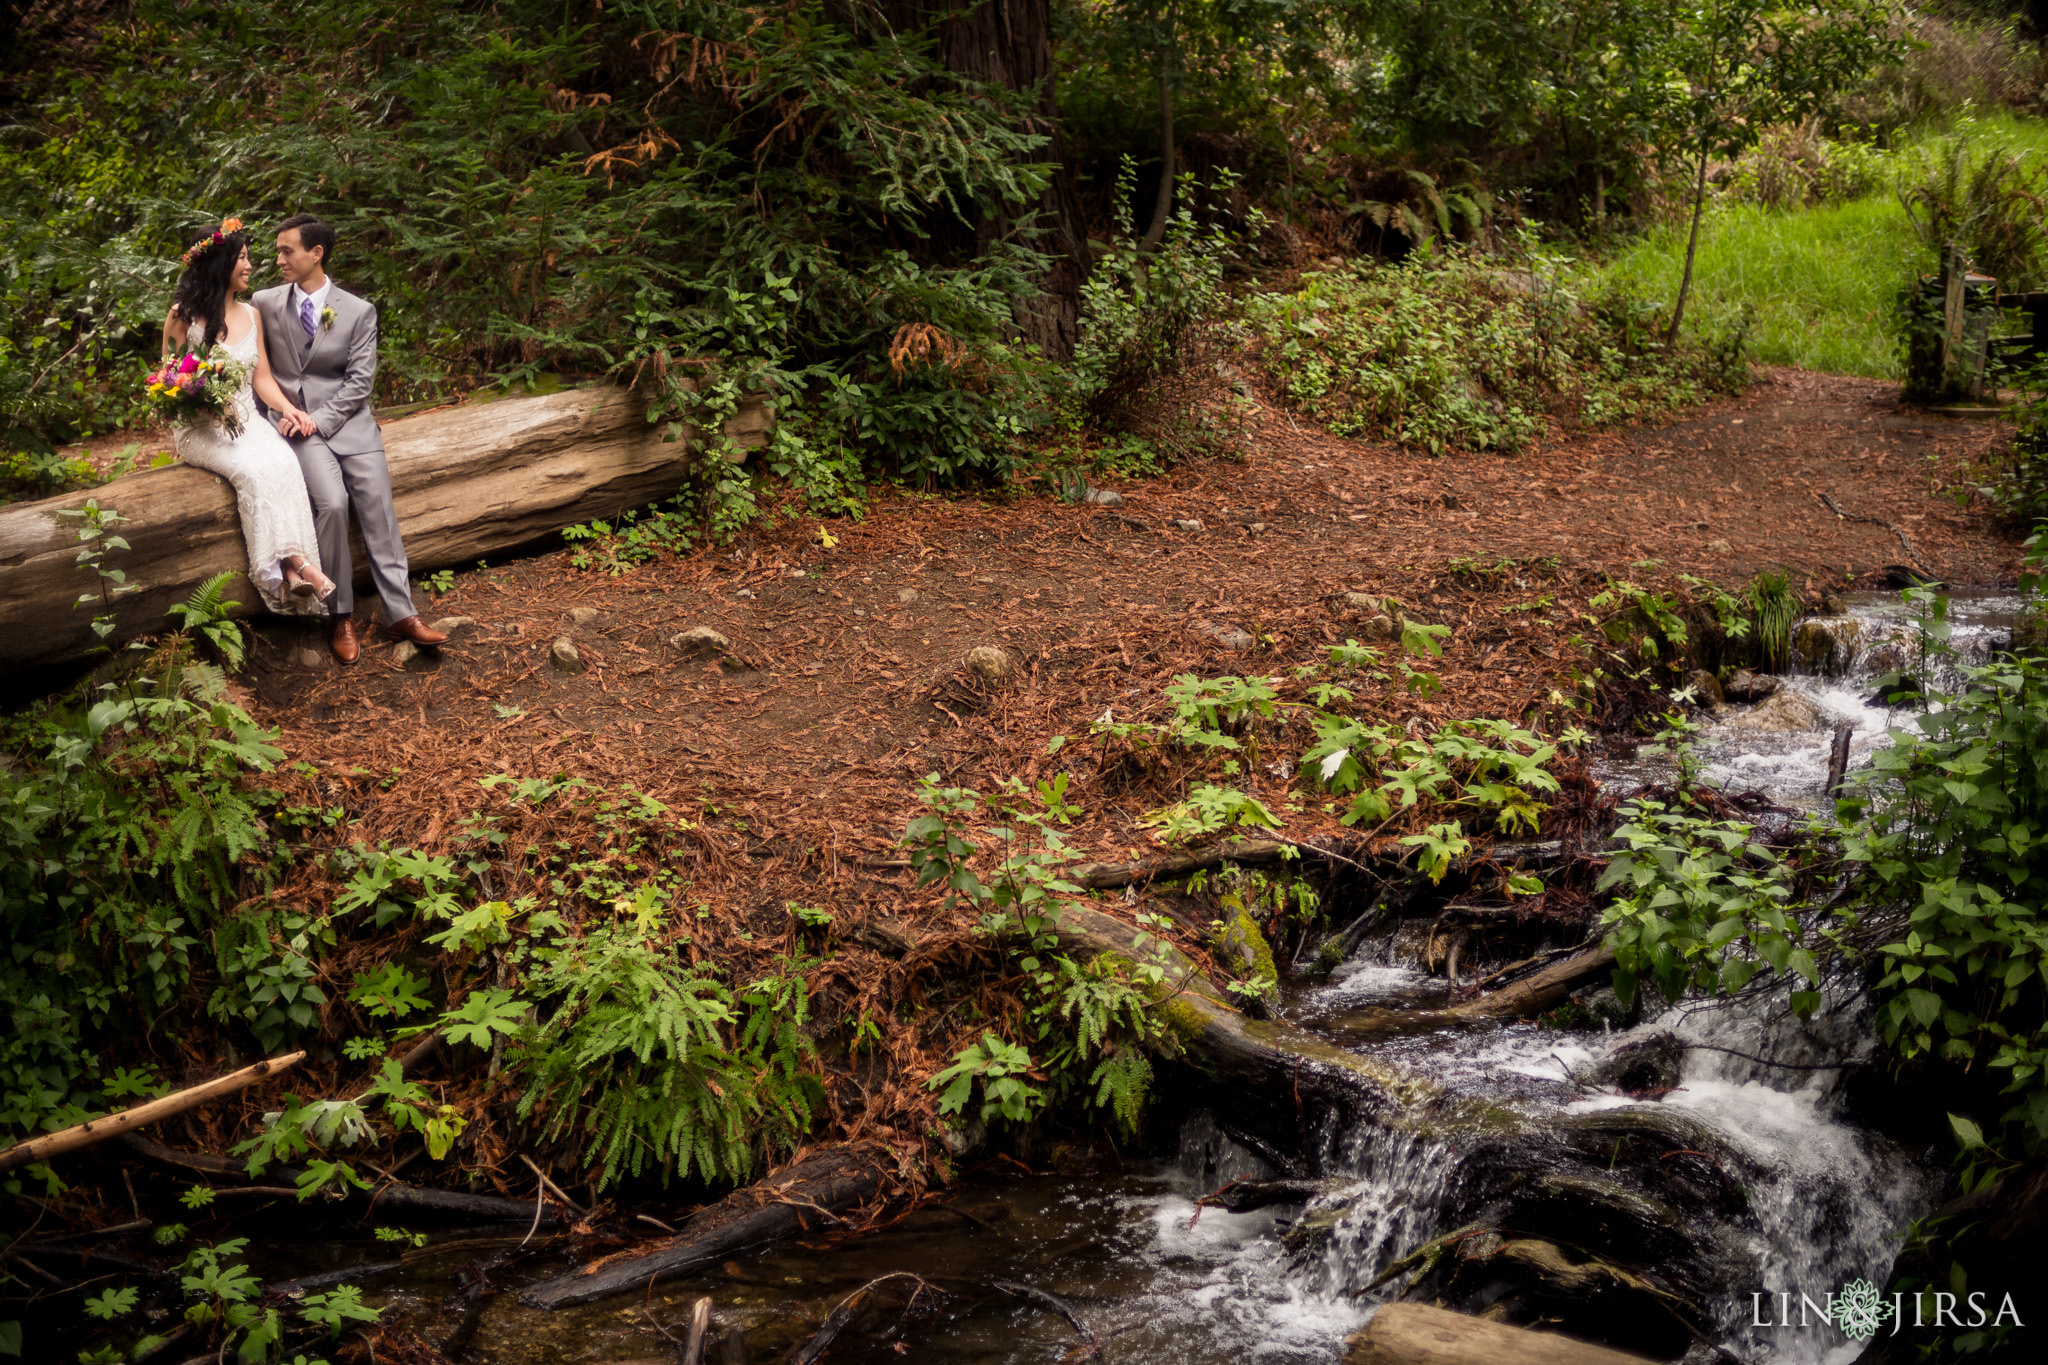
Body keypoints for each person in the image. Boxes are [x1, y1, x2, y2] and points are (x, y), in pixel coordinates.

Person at [253, 214, 447, 665]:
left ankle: (402, 612)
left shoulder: (358, 310)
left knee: (378, 508)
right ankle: (339, 615)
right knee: (334, 506)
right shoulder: (262, 303)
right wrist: (281, 414)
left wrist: (316, 420)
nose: (279, 258)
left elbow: (360, 383)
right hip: (295, 430)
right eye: (278, 250)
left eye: (287, 250)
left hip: (347, 427)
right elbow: (243, 350)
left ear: (316, 254)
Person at [161, 219, 336, 613]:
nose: (250, 266)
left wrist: (290, 409)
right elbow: (165, 381)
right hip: (200, 429)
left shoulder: (251, 314)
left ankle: (291, 576)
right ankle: (292, 570)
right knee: (254, 473)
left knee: (285, 463)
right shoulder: (181, 315)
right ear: (220, 263)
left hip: (246, 422)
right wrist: (199, 397)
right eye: (242, 258)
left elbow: (263, 381)